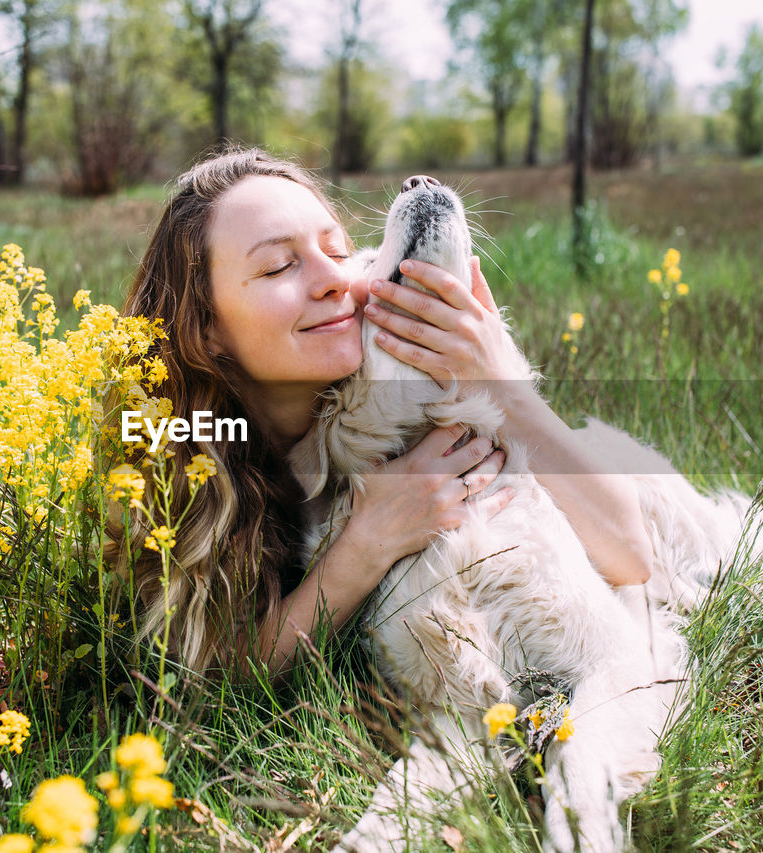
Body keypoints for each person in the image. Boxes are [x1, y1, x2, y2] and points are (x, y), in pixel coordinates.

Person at [115, 147, 653, 676]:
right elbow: (210, 677)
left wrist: (502, 386)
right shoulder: (173, 447)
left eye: (339, 250)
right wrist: (369, 541)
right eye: (279, 266)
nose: (334, 281)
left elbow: (630, 553)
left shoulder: (401, 395)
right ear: (205, 328)